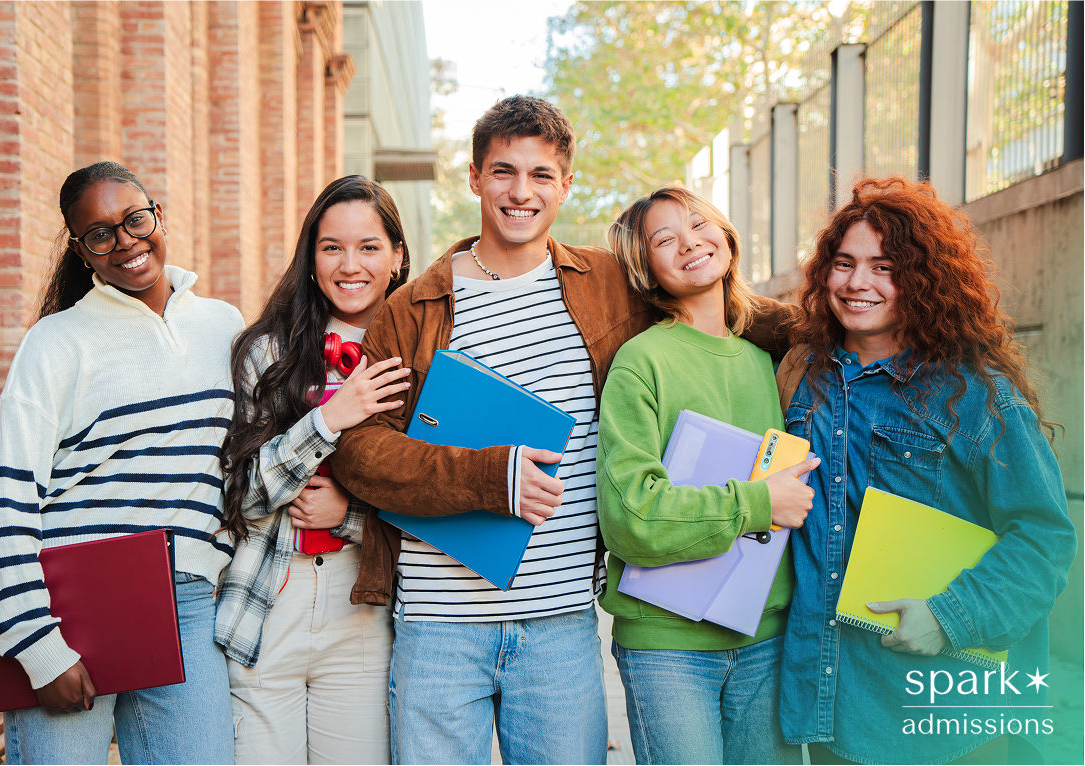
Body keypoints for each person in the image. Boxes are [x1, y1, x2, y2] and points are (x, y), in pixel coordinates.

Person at [327, 96, 797, 764]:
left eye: (541, 175)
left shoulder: (609, 284)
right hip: (438, 625)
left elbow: (720, 309)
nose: (522, 193)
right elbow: (362, 453)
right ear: (474, 178)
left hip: (560, 625)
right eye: (504, 172)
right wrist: (490, 477)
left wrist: (841, 325)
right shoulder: (415, 307)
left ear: (566, 184)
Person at [775, 176, 1077, 764]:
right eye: (843, 263)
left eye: (884, 266)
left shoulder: (975, 395)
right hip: (831, 707)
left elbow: (1044, 539)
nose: (858, 282)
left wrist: (950, 616)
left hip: (948, 717)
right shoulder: (802, 378)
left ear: (923, 279)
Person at [0, 161, 242, 764]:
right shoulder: (56, 342)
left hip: (189, 600)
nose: (126, 242)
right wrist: (38, 645)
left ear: (158, 214)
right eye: (100, 234)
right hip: (71, 605)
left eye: (135, 219)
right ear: (81, 250)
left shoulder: (223, 326)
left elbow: (244, 468)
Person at [595, 186, 817, 765]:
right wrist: (757, 504)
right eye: (664, 239)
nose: (689, 242)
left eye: (699, 225)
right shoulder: (640, 361)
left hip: (767, 634)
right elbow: (631, 516)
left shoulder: (771, 362)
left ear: (726, 233)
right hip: (667, 646)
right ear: (646, 268)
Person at [213, 176, 412, 764]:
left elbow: (434, 497)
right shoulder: (266, 354)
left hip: (363, 609)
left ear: (397, 257)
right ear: (311, 257)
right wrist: (329, 419)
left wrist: (350, 515)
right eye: (332, 247)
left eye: (369, 247)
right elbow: (241, 495)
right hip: (269, 601)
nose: (350, 265)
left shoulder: (422, 358)